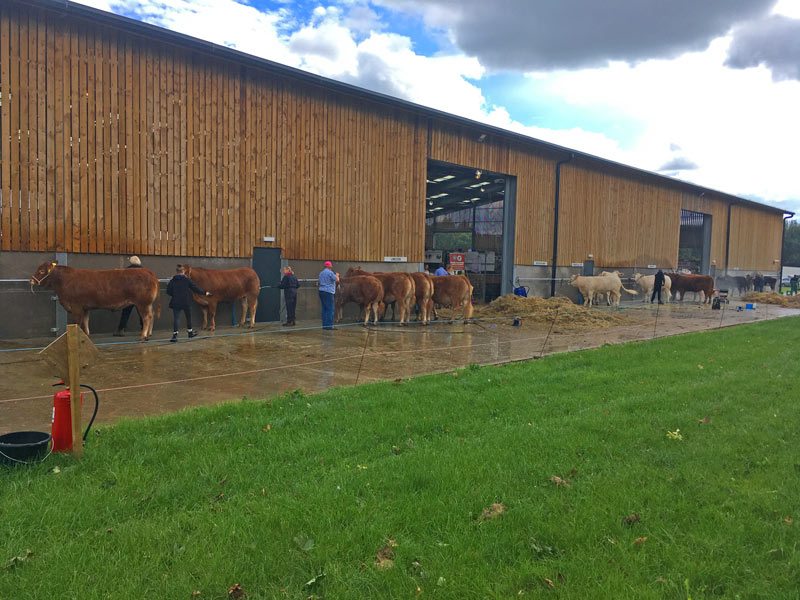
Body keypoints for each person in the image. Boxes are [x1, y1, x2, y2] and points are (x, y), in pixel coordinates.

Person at [166, 264, 211, 342]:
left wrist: (175, 295)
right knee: (188, 317)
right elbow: (195, 288)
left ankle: (174, 336)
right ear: (183, 271)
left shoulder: (172, 281)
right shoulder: (187, 280)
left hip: (176, 302)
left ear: (176, 272)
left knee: (176, 319)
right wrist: (205, 293)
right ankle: (190, 333)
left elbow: (168, 291)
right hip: (186, 302)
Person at [113, 256, 144, 336]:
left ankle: (121, 329)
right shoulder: (143, 271)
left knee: (125, 313)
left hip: (129, 295)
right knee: (142, 313)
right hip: (140, 295)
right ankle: (144, 328)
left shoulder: (127, 270)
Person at [318, 260, 339, 330]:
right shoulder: (330, 273)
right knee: (330, 309)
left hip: (321, 291)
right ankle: (329, 326)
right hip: (328, 292)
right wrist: (337, 275)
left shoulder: (321, 273)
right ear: (330, 266)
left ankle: (324, 325)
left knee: (324, 309)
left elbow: (319, 282)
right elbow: (337, 280)